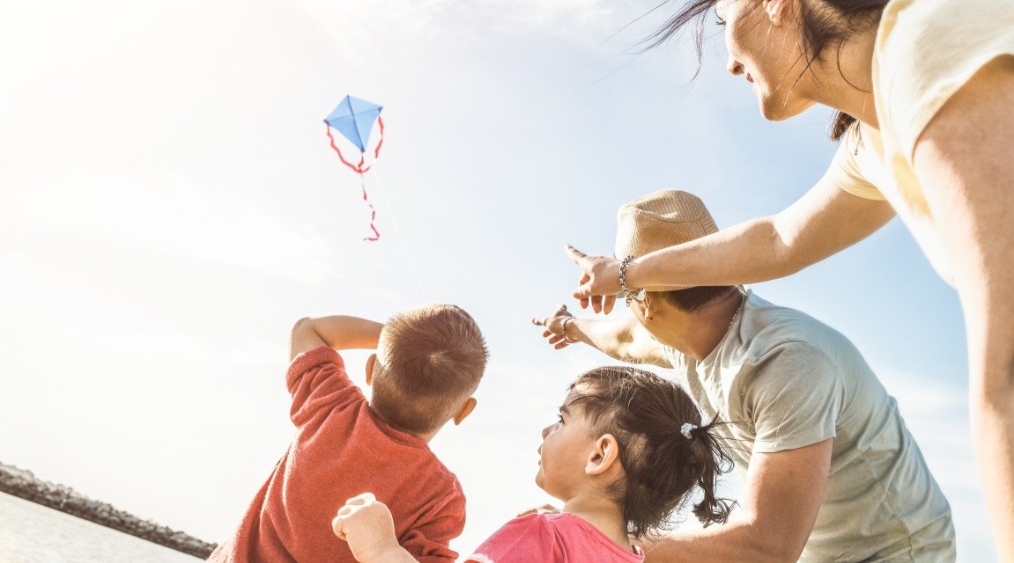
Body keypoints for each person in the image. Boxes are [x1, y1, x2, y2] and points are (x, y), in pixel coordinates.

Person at [563, 0, 1014, 561]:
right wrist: (626, 272)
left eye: (725, 22)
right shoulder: (880, 138)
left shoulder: (929, 43)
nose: (728, 62)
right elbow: (777, 240)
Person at [540, 190, 955, 562]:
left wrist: (607, 540)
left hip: (899, 551)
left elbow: (768, 545)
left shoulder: (784, 362)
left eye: (626, 297)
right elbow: (622, 339)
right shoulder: (688, 337)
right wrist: (568, 327)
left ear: (646, 303)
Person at [331, 366, 734, 563]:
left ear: (599, 456)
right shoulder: (628, 556)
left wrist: (381, 547)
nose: (546, 430)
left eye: (562, 420)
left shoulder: (542, 537)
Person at [208, 306, 488, 563]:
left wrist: (394, 340)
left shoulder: (330, 405)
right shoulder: (440, 497)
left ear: (369, 369)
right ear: (463, 411)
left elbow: (307, 330)